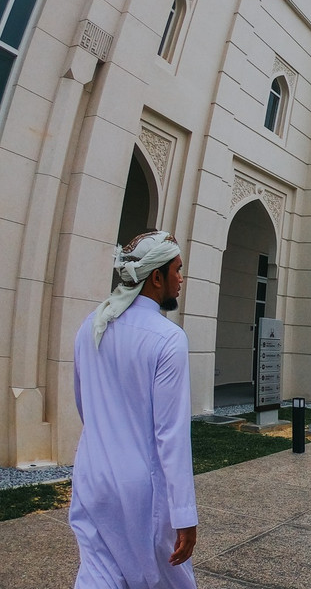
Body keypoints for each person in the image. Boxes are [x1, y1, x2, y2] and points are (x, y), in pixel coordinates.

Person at [70, 230, 198, 588]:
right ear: (156, 277)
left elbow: (85, 406)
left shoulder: (90, 327)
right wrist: (184, 514)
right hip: (142, 490)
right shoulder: (168, 338)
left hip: (91, 477)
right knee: (161, 580)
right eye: (177, 270)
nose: (181, 279)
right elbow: (170, 436)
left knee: (97, 576)